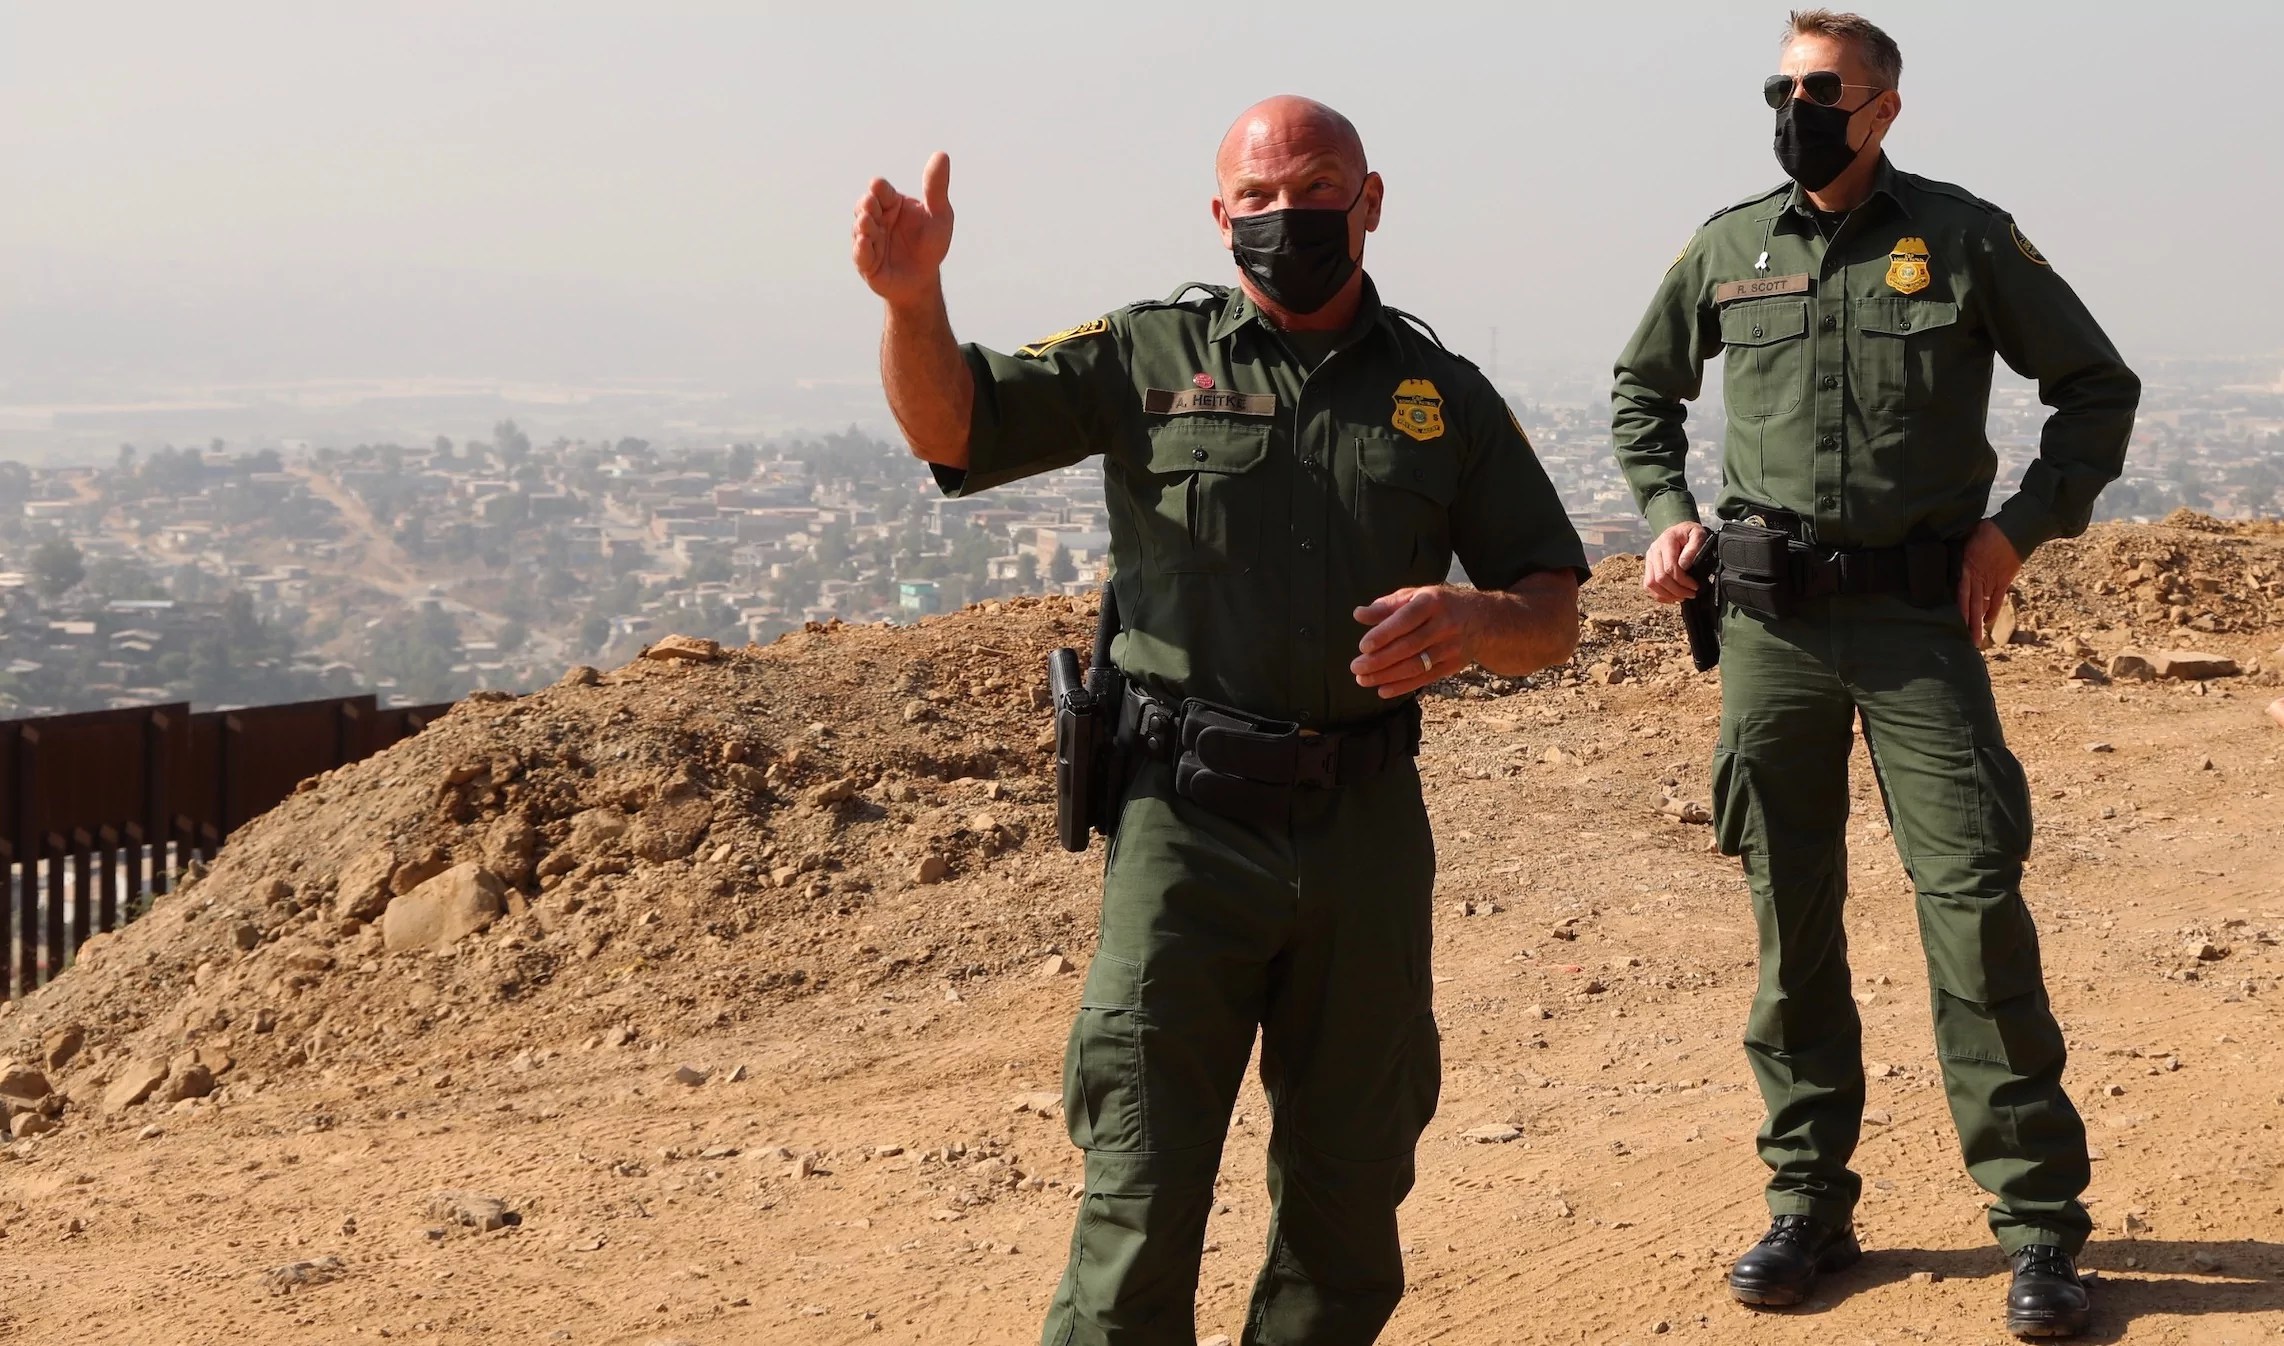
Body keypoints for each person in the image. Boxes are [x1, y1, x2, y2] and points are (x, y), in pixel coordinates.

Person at [853, 96, 1587, 1346]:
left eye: (1313, 191)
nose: (1283, 217)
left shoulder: (1439, 393)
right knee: (1138, 1187)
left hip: (1361, 827)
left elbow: (1551, 604)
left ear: (1367, 202)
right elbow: (953, 426)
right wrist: (913, 303)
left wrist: (1473, 620)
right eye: (1255, 198)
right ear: (1218, 213)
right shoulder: (1147, 355)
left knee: (1348, 1194)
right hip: (1181, 829)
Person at [1610, 10, 2137, 1340]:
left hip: (1917, 624)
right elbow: (1640, 391)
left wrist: (2019, 532)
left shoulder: (1961, 238)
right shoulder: (1731, 245)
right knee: (1791, 925)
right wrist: (1664, 509)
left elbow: (2094, 387)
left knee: (1970, 906)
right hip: (1769, 633)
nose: (1798, 107)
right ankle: (1808, 1204)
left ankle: (2038, 1230)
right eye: (1783, 87)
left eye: (1824, 89)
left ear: (1884, 108)